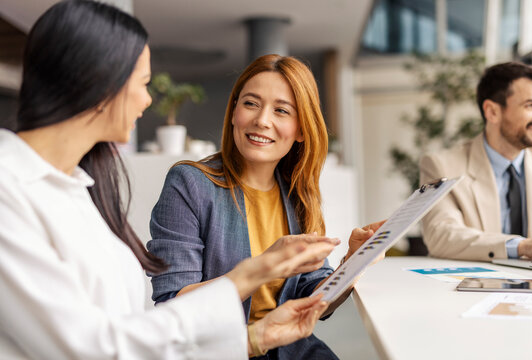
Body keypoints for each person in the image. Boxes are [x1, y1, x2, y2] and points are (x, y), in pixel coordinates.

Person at [0, 1, 343, 358]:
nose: (148, 100)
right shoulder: (9, 190)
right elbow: (97, 347)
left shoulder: (77, 189)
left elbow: (131, 334)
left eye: (281, 110)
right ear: (97, 80)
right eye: (144, 82)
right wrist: (250, 276)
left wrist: (256, 338)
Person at [148, 54, 383, 359]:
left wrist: (355, 260)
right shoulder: (190, 184)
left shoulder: (298, 193)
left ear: (301, 129)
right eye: (250, 103)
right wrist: (264, 267)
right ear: (234, 112)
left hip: (289, 347)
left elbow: (315, 298)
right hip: (217, 350)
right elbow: (173, 305)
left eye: (281, 110)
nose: (262, 120)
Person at [420, 61, 532, 261]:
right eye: (530, 105)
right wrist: (522, 246)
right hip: (472, 289)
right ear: (492, 112)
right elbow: (441, 235)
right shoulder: (442, 166)